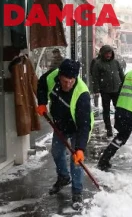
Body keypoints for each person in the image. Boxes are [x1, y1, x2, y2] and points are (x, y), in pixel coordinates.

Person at [36, 59, 94, 210]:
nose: (67, 84)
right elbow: (41, 83)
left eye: (71, 81)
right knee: (56, 152)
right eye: (64, 81)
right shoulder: (52, 77)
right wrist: (41, 102)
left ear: (75, 78)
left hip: (78, 127)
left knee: (76, 160)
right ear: (59, 76)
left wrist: (80, 148)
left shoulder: (82, 94)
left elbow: (84, 125)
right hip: (60, 123)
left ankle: (77, 192)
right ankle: (63, 177)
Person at [92, 45, 125, 137]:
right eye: (106, 53)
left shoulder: (116, 63)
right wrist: (96, 90)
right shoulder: (98, 64)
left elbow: (121, 74)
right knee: (106, 110)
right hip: (105, 91)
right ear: (102, 54)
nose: (108, 55)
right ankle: (108, 128)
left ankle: (119, 127)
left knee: (118, 109)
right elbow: (95, 78)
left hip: (116, 90)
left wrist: (124, 84)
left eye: (110, 53)